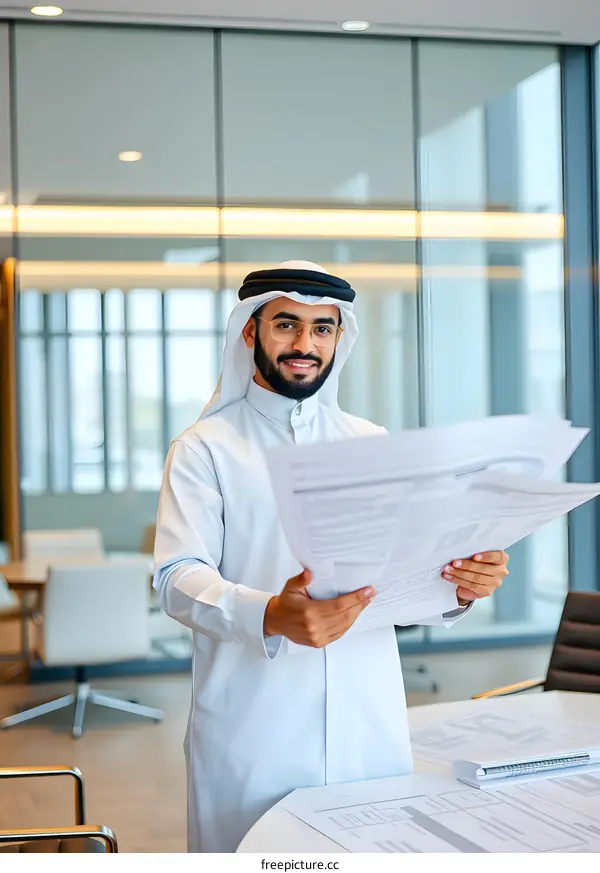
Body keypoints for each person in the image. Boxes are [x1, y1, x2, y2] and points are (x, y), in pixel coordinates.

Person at [153, 261, 509, 853]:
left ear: (339, 338)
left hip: (369, 724)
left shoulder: (371, 443)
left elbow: (407, 571)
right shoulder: (204, 448)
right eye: (286, 324)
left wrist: (462, 586)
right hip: (254, 728)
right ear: (250, 332)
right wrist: (270, 613)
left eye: (322, 329)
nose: (304, 344)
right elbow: (175, 577)